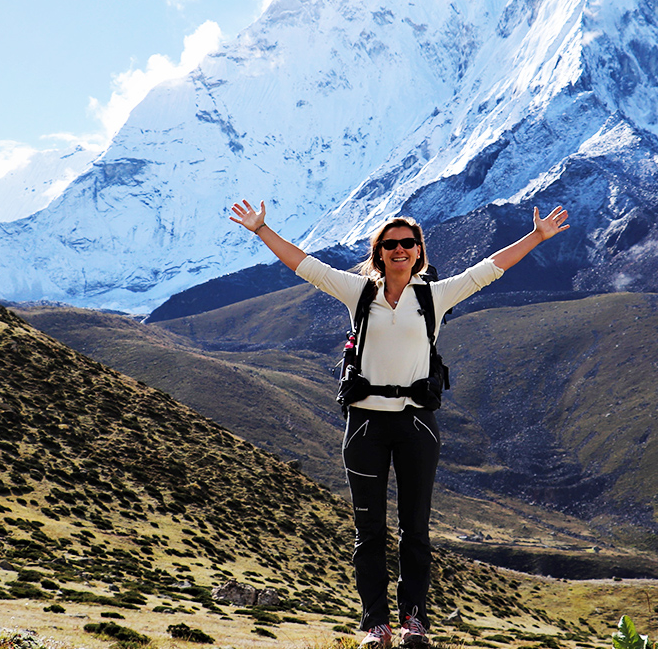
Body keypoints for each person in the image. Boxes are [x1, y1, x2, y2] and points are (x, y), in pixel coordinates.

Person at [228, 199, 570, 648]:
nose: (400, 249)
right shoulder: (359, 293)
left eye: (408, 243)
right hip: (366, 425)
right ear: (379, 252)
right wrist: (261, 231)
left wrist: (538, 237)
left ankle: (414, 623)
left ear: (419, 251)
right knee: (368, 532)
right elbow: (305, 265)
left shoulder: (434, 295)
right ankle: (375, 626)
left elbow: (490, 268)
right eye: (391, 244)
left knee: (416, 530)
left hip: (416, 426)